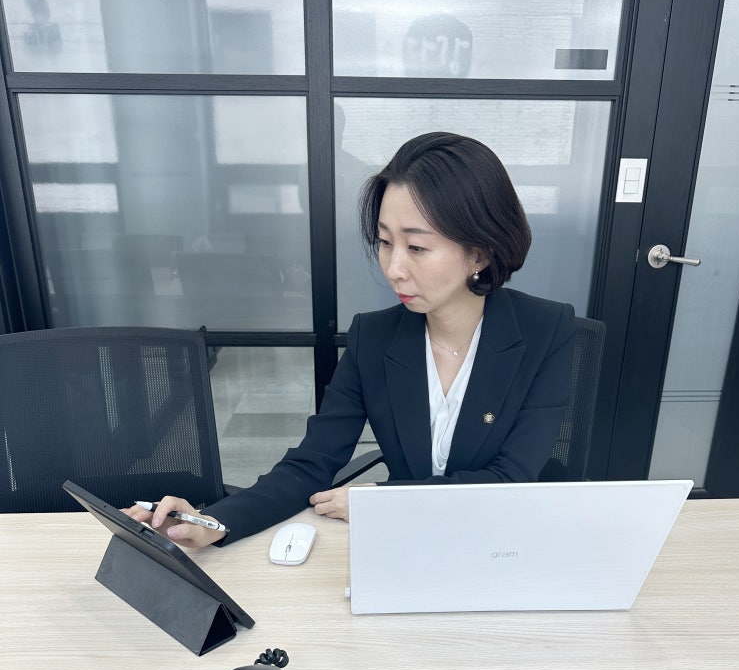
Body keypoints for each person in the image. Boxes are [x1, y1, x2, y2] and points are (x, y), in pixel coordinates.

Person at [125, 131, 576, 548]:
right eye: (384, 242)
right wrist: (213, 522)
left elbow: (509, 479)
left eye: (417, 247)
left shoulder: (546, 330)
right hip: (404, 549)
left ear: (479, 252)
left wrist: (382, 504)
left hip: (503, 544)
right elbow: (310, 464)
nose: (394, 268)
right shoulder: (373, 338)